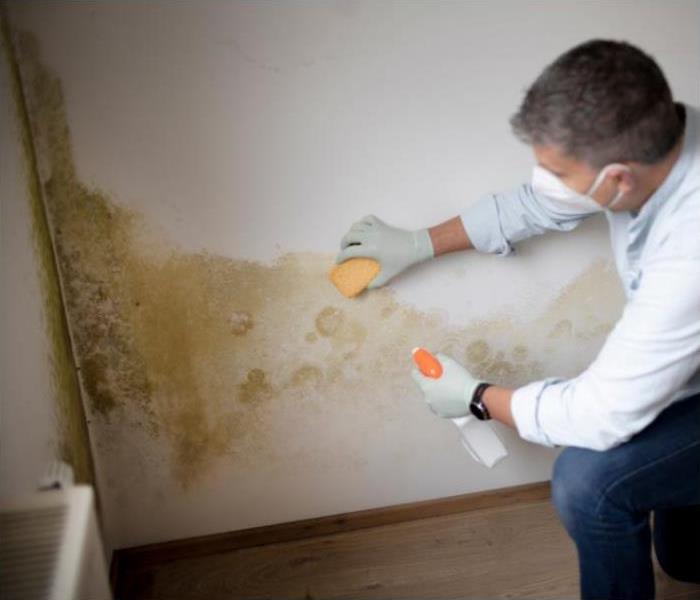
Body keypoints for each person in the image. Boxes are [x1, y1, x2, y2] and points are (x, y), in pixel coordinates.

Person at [334, 39, 700, 599]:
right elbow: (537, 206)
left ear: (618, 177)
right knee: (684, 557)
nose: (545, 180)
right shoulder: (659, 144)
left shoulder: (690, 245)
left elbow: (602, 414)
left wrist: (476, 397)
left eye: (556, 170)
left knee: (588, 483)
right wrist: (417, 244)